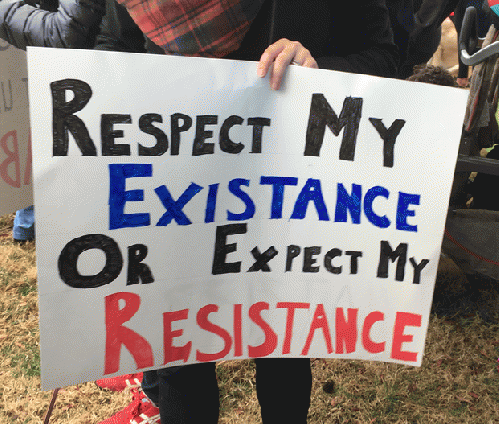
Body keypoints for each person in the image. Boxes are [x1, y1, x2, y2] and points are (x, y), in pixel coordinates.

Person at [94, 0, 398, 422]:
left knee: (283, 349)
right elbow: (113, 45)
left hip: (286, 189)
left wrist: (316, 70)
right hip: (180, 188)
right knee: (180, 355)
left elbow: (385, 58)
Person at [0, 0, 106, 243]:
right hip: (50, 55)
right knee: (43, 140)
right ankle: (27, 225)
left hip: (63, 56)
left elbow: (67, 31)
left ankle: (29, 226)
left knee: (50, 141)